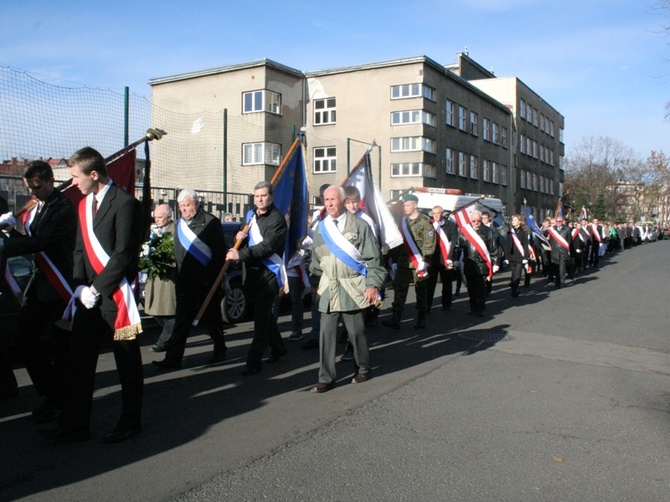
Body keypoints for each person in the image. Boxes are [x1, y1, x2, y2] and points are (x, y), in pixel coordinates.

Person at [42, 147, 144, 443]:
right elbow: (79, 250)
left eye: (75, 176)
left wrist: (97, 288)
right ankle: (75, 425)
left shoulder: (124, 203)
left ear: (94, 174)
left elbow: (124, 253)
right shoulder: (84, 205)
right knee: (79, 362)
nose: (72, 182)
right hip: (88, 298)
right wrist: (78, 286)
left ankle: (130, 421)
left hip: (115, 298)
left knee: (127, 361)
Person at [0, 161, 77, 419]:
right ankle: (50, 392)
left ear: (50, 181)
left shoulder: (63, 208)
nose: (33, 193)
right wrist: (10, 232)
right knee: (25, 340)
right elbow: (30, 242)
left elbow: (42, 242)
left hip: (60, 283)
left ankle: (59, 398)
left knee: (57, 346)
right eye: (29, 188)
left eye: (38, 187)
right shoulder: (37, 205)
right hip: (42, 280)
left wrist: (3, 244)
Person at [308, 186, 386, 393]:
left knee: (357, 332)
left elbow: (373, 258)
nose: (329, 203)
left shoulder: (360, 225)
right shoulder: (321, 228)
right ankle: (326, 377)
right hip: (328, 287)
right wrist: (315, 282)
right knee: (326, 334)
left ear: (343, 201)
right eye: (326, 200)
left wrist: (373, 285)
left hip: (352, 287)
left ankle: (363, 367)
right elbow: (316, 259)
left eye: (333, 199)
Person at [153, 189, 227, 370]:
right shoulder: (180, 225)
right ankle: (173, 359)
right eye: (180, 206)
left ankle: (220, 349)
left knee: (212, 320)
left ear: (196, 203)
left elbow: (219, 255)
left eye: (187, 205)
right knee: (181, 322)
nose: (184, 209)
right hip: (185, 283)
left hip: (206, 283)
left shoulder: (211, 223)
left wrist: (209, 279)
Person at [227, 181, 287, 375]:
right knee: (264, 316)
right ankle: (278, 347)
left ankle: (253, 362)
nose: (260, 199)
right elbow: (245, 243)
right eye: (257, 196)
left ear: (271, 197)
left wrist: (241, 255)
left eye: (263, 195)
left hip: (268, 275)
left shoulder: (277, 220)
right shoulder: (251, 216)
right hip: (252, 275)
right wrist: (239, 240)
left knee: (260, 321)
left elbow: (267, 247)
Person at [382, 193, 435, 330]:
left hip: (419, 263)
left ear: (415, 205)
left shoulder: (425, 221)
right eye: (404, 205)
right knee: (400, 290)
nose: (405, 208)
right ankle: (396, 319)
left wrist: (425, 259)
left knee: (420, 291)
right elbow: (398, 243)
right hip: (404, 261)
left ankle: (421, 318)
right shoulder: (402, 222)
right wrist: (394, 259)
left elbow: (429, 243)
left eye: (407, 205)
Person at [143, 204, 177, 352]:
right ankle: (173, 338)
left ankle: (164, 341)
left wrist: (162, 260)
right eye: (155, 217)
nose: (156, 220)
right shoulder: (155, 231)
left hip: (167, 278)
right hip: (154, 277)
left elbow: (178, 254)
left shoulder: (175, 231)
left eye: (160, 217)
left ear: (169, 217)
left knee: (169, 312)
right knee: (155, 310)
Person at [301, 183, 331, 351]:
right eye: (321, 196)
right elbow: (313, 237)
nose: (323, 199)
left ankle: (338, 334)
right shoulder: (318, 215)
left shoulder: (339, 216)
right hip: (318, 263)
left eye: (326, 196)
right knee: (316, 301)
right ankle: (316, 335)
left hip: (334, 264)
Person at [460, 210, 500, 316]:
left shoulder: (488, 231)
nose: (476, 222)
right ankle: (473, 307)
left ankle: (481, 308)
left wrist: (495, 263)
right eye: (474, 221)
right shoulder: (465, 231)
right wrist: (455, 259)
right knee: (471, 288)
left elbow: (493, 248)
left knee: (481, 288)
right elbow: (459, 247)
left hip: (482, 264)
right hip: (469, 264)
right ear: (470, 221)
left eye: (478, 220)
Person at [426, 205, 459, 310]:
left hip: (446, 259)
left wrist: (450, 257)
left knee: (447, 283)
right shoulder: (429, 225)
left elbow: (454, 243)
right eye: (434, 213)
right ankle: (427, 305)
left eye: (438, 213)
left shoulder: (451, 226)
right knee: (430, 284)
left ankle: (446, 304)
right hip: (433, 259)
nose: (435, 215)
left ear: (442, 214)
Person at [503, 214, 529, 298]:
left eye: (514, 220)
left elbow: (525, 245)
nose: (513, 222)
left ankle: (515, 289)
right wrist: (506, 257)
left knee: (517, 274)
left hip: (520, 256)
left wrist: (525, 257)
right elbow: (507, 245)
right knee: (513, 274)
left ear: (519, 221)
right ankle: (514, 287)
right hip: (511, 255)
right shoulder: (510, 232)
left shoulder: (523, 231)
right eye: (512, 220)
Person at [545, 215, 571, 289]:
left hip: (563, 251)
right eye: (557, 221)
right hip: (554, 251)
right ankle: (557, 282)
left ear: (563, 222)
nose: (558, 223)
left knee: (562, 267)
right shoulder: (552, 229)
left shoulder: (567, 229)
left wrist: (567, 249)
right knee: (556, 268)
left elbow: (569, 241)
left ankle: (562, 282)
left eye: (560, 221)